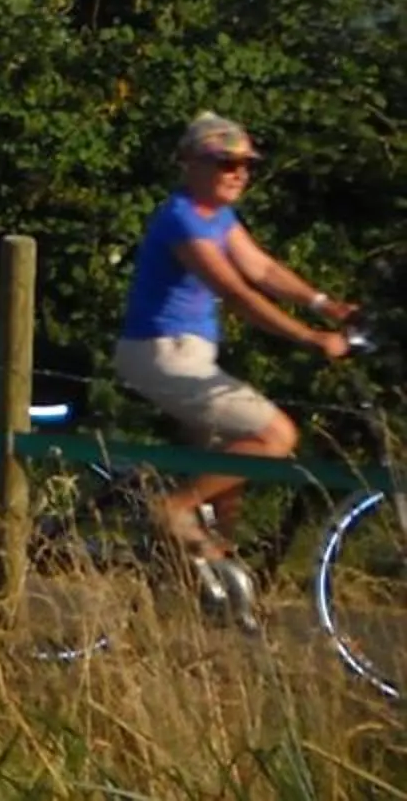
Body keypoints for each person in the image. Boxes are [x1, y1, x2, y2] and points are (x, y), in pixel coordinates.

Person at [115, 111, 353, 556]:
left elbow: (262, 269)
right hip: (161, 355)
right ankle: (171, 510)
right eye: (227, 163)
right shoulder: (182, 220)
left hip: (190, 357)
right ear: (192, 164)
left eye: (247, 164)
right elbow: (236, 292)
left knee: (228, 470)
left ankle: (213, 568)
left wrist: (326, 304)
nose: (239, 172)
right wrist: (310, 337)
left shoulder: (218, 217)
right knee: (275, 437)